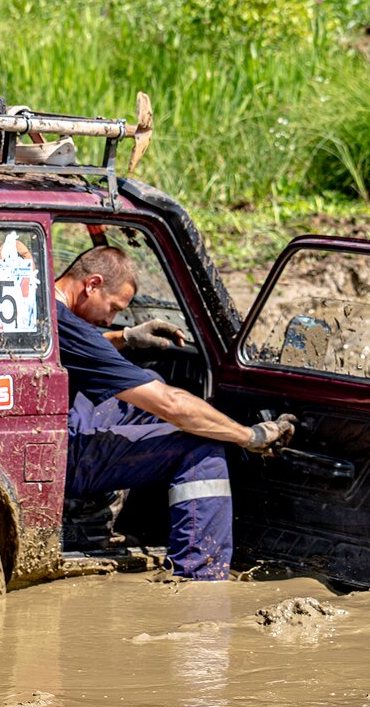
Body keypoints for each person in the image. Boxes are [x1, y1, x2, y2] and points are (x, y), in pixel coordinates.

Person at [54, 246, 295, 580]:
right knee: (201, 446)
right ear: (92, 284)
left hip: (47, 429)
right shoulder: (65, 322)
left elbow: (74, 348)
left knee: (147, 384)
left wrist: (125, 337)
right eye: (113, 308)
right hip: (57, 454)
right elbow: (171, 405)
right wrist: (248, 436)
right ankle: (199, 579)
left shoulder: (41, 307)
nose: (109, 320)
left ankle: (105, 518)